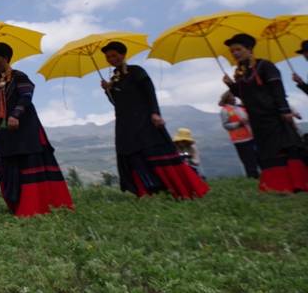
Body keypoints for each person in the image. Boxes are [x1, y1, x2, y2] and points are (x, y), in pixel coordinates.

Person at [100, 41, 209, 199]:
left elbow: (149, 92)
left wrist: (155, 113)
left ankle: (179, 189)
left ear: (123, 55)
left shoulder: (136, 71)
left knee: (154, 152)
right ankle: (147, 191)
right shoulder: (114, 79)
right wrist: (108, 90)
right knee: (133, 155)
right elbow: (117, 103)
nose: (111, 59)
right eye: (108, 57)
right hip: (125, 124)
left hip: (144, 120)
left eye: (114, 55)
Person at [0, 42, 73, 216]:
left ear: (6, 58)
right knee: (9, 164)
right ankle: (15, 203)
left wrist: (15, 115)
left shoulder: (19, 77)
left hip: (24, 127)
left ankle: (35, 204)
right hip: (4, 130)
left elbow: (26, 96)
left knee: (28, 161)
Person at [224, 33, 308, 193]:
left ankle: (297, 183)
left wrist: (284, 110)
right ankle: (277, 185)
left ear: (249, 49)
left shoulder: (265, 66)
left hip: (274, 115)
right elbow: (244, 95)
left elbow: (277, 89)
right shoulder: (241, 73)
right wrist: (232, 86)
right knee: (267, 150)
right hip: (257, 118)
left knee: (285, 147)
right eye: (232, 51)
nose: (235, 53)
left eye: (238, 49)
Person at [219, 91, 259, 178]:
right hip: (240, 140)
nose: (234, 98)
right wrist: (238, 124)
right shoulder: (225, 110)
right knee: (249, 161)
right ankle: (253, 178)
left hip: (252, 136)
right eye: (232, 96)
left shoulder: (240, 108)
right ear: (227, 98)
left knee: (258, 158)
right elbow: (226, 125)